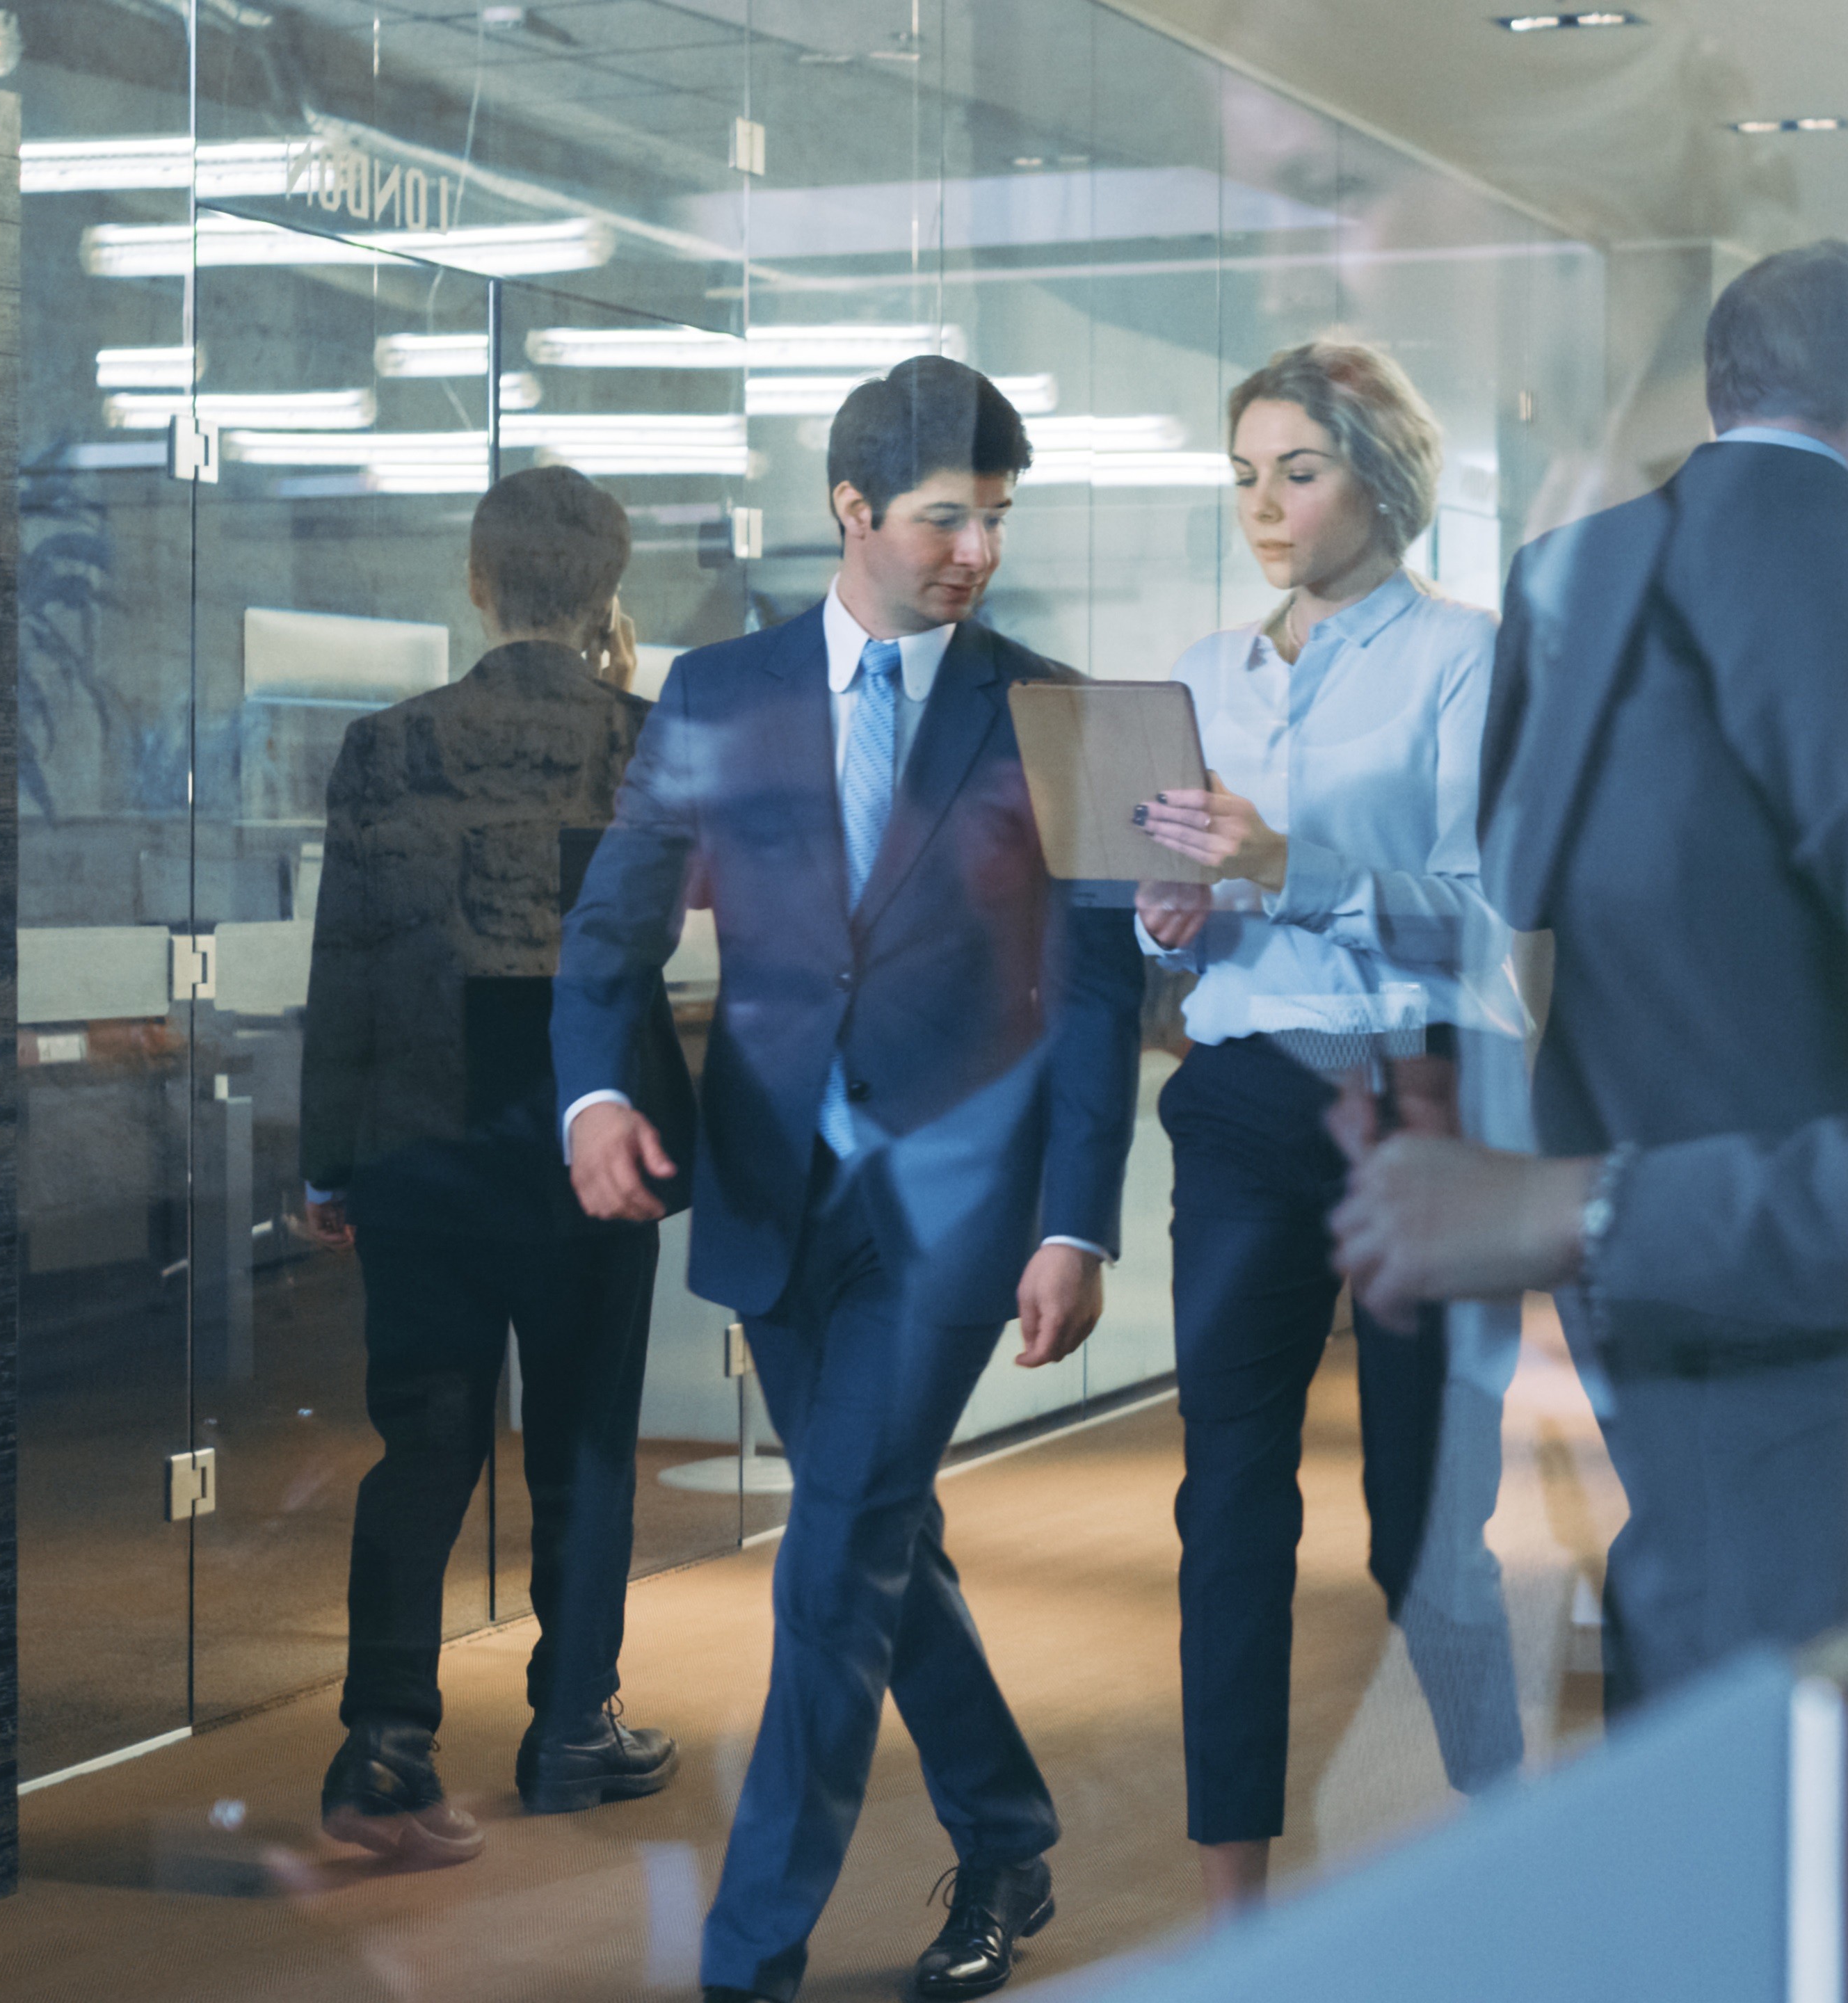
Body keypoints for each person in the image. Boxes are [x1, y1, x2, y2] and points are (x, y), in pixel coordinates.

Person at [1327, 241, 1848, 1712]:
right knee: (1819, 1620)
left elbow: (1523, 879)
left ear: (1724, 390)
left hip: (1614, 1181)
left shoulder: (1565, 575)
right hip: (1839, 1198)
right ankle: (1732, 1912)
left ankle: (1675, 1896)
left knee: (1696, 1562)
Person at [552, 356, 1145, 2003]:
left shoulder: (1066, 712)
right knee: (877, 1533)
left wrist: (1075, 1218)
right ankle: (1011, 1829)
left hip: (960, 1214)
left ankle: (751, 1958)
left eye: (998, 519)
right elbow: (613, 926)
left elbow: (1102, 995)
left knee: (828, 1567)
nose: (977, 549)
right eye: (948, 515)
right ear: (852, 511)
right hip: (769, 1191)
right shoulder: (716, 694)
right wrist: (596, 1096)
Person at [1129, 339, 1524, 1914]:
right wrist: (1169, 915)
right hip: (1236, 1101)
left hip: (1417, 1101)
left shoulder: (1465, 657)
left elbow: (1483, 926)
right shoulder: (1204, 674)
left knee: (1422, 1522)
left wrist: (1282, 861)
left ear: (1382, 476)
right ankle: (1236, 1892)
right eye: (1243, 474)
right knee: (1226, 1498)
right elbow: (1181, 921)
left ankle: (1505, 1830)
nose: (1265, 505)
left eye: (1297, 468)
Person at [299, 465, 689, 1868]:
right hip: (588, 1136)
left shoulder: (385, 745)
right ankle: (572, 1723)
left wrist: (327, 1160)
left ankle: (386, 1743)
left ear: (476, 581)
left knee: (424, 1440)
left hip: (417, 1134)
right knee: (584, 1440)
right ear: (605, 591)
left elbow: (342, 959)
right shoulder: (648, 740)